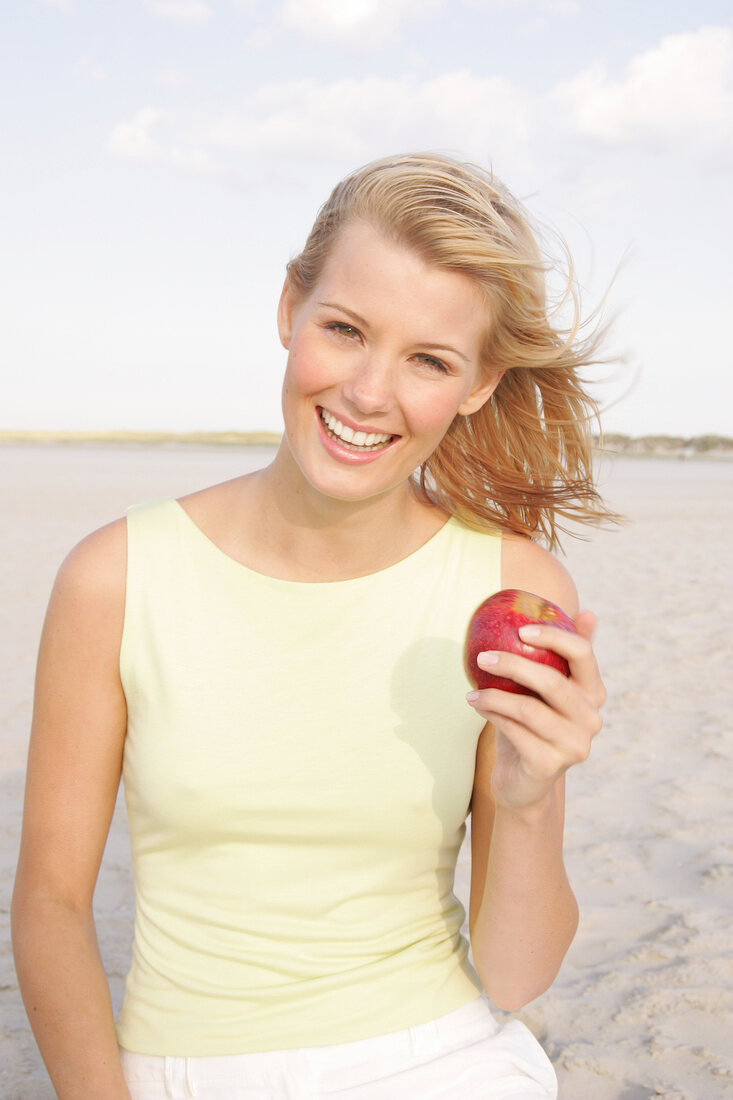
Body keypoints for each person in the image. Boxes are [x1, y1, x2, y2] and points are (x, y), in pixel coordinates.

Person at [12, 152, 612, 1099]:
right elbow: (48, 904)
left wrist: (529, 794)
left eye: (429, 359)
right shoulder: (114, 577)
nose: (370, 394)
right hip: (187, 1069)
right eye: (345, 329)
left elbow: (517, 974)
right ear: (290, 307)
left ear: (478, 383)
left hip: (444, 1060)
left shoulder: (509, 581)